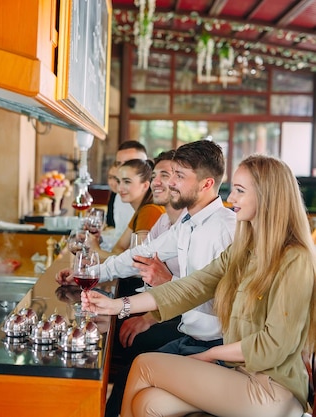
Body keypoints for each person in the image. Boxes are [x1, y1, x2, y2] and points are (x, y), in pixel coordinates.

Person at [83, 154, 316, 417]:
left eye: (240, 191)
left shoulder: (295, 258)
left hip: (273, 388)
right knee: (149, 403)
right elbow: (191, 287)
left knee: (144, 364)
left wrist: (210, 354)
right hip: (239, 372)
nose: (231, 199)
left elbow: (275, 344)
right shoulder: (244, 249)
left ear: (268, 195)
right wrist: (117, 305)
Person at [57, 139, 235, 360]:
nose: (171, 184)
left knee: (129, 361)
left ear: (206, 184)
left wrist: (160, 287)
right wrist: (91, 274)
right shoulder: (188, 222)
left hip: (217, 348)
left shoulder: (224, 229)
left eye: (179, 176)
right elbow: (140, 254)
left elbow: (224, 305)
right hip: (189, 338)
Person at [104, 149, 186, 417]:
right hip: (174, 311)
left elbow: (200, 297)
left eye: (166, 175)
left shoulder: (198, 226)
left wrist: (146, 315)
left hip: (197, 325)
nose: (157, 183)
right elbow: (131, 258)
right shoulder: (164, 220)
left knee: (131, 342)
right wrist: (92, 272)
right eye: (156, 175)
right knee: (117, 334)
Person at [88, 159, 164, 258]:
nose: (119, 188)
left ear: (145, 185)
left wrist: (96, 250)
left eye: (127, 182)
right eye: (119, 181)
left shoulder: (150, 211)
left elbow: (135, 261)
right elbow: (118, 248)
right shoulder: (141, 210)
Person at [101, 141, 147, 251]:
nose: (121, 169)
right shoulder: (119, 195)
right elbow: (119, 238)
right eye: (118, 164)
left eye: (129, 163)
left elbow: (135, 256)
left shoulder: (152, 204)